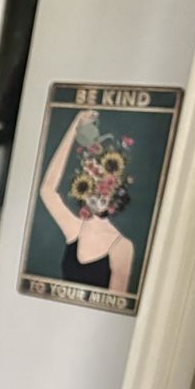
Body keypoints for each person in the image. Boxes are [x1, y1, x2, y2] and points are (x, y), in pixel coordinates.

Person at [39, 109, 134, 293]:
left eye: (104, 187)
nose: (98, 193)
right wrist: (75, 127)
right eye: (93, 184)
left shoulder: (121, 246)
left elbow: (114, 306)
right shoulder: (75, 229)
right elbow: (47, 189)